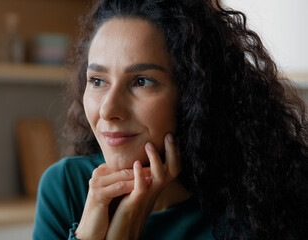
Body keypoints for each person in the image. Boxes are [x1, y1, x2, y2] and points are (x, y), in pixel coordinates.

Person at [33, 0, 308, 239]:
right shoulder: (65, 188)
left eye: (141, 81)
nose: (107, 110)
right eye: (97, 81)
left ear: (193, 93)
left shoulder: (259, 206)